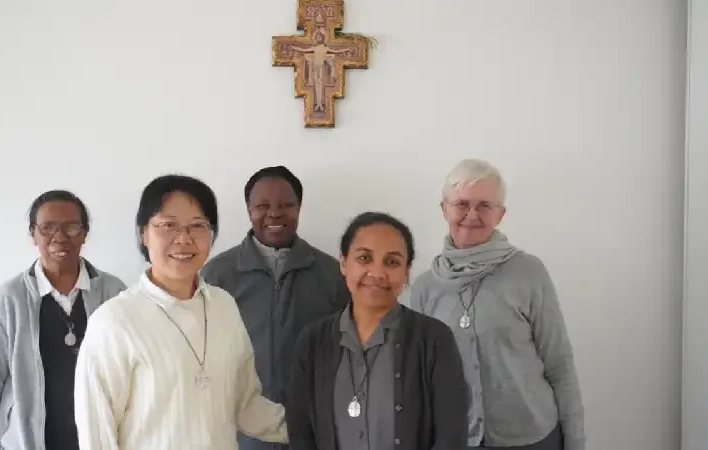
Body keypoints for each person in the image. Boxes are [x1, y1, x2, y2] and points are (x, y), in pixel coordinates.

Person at [73, 174, 288, 450]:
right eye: (168, 225)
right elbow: (97, 436)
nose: (183, 238)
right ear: (144, 233)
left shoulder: (224, 306)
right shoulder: (114, 321)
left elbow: (246, 405)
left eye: (197, 226)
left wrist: (316, 424)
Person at [410, 159, 585, 450]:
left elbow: (559, 363)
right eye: (461, 204)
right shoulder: (425, 287)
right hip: (457, 438)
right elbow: (421, 379)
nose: (471, 215)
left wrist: (575, 441)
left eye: (484, 206)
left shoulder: (528, 272)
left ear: (500, 214)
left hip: (531, 437)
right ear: (444, 209)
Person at [286, 212, 469, 450]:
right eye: (364, 258)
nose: (377, 273)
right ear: (343, 263)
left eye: (392, 262)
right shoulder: (313, 341)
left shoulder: (434, 339)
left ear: (407, 270)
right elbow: (300, 431)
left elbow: (450, 436)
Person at [201, 166, 349, 450]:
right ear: (248, 209)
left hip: (312, 432)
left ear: (299, 207)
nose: (274, 214)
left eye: (286, 205)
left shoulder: (333, 274)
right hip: (239, 435)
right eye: (262, 206)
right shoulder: (216, 276)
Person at [0, 190, 127, 450]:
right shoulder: (7, 302)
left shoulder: (114, 293)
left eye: (72, 227)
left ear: (85, 233)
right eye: (47, 228)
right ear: (33, 234)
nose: (60, 237)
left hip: (98, 439)